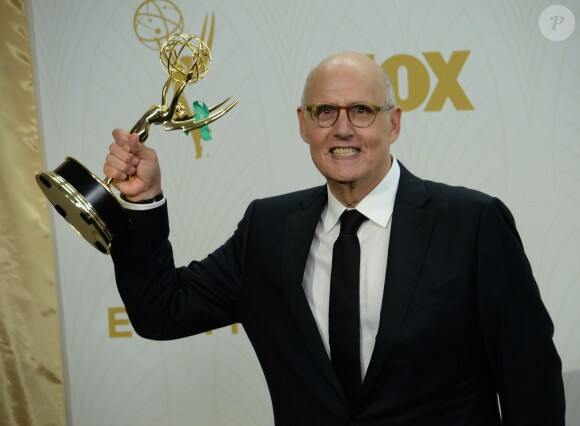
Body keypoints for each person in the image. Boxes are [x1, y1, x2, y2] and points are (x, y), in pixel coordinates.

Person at [103, 52, 565, 425]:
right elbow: (161, 312)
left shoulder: (473, 223)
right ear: (304, 125)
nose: (343, 129)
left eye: (362, 110)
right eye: (326, 112)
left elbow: (531, 379)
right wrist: (144, 202)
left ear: (394, 124)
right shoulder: (267, 228)